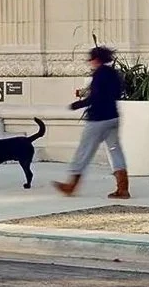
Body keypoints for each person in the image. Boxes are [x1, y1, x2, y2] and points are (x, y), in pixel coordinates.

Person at [54, 44, 129, 199]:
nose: (90, 62)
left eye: (91, 59)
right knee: (115, 150)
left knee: (84, 151)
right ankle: (123, 188)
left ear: (96, 59)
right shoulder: (114, 73)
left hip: (98, 119)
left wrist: (77, 104)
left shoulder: (99, 75)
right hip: (113, 116)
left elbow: (95, 96)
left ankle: (71, 185)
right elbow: (118, 92)